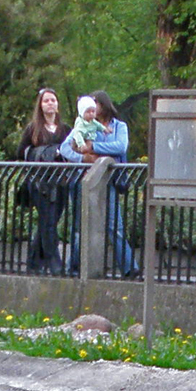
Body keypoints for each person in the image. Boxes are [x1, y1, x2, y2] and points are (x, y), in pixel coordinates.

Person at [69, 91, 135, 275]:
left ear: (103, 105)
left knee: (115, 225)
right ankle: (74, 267)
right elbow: (68, 146)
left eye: (94, 104)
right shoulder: (83, 124)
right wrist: (83, 158)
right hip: (88, 178)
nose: (91, 108)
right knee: (81, 225)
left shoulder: (119, 126)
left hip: (110, 180)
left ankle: (129, 268)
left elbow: (121, 146)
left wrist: (94, 147)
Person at [17, 88, 73, 275]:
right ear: (40, 105)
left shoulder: (65, 129)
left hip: (60, 182)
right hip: (40, 183)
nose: (50, 103)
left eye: (53, 100)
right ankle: (54, 263)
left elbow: (73, 151)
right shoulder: (33, 129)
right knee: (47, 221)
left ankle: (33, 262)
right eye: (46, 100)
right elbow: (21, 152)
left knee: (49, 222)